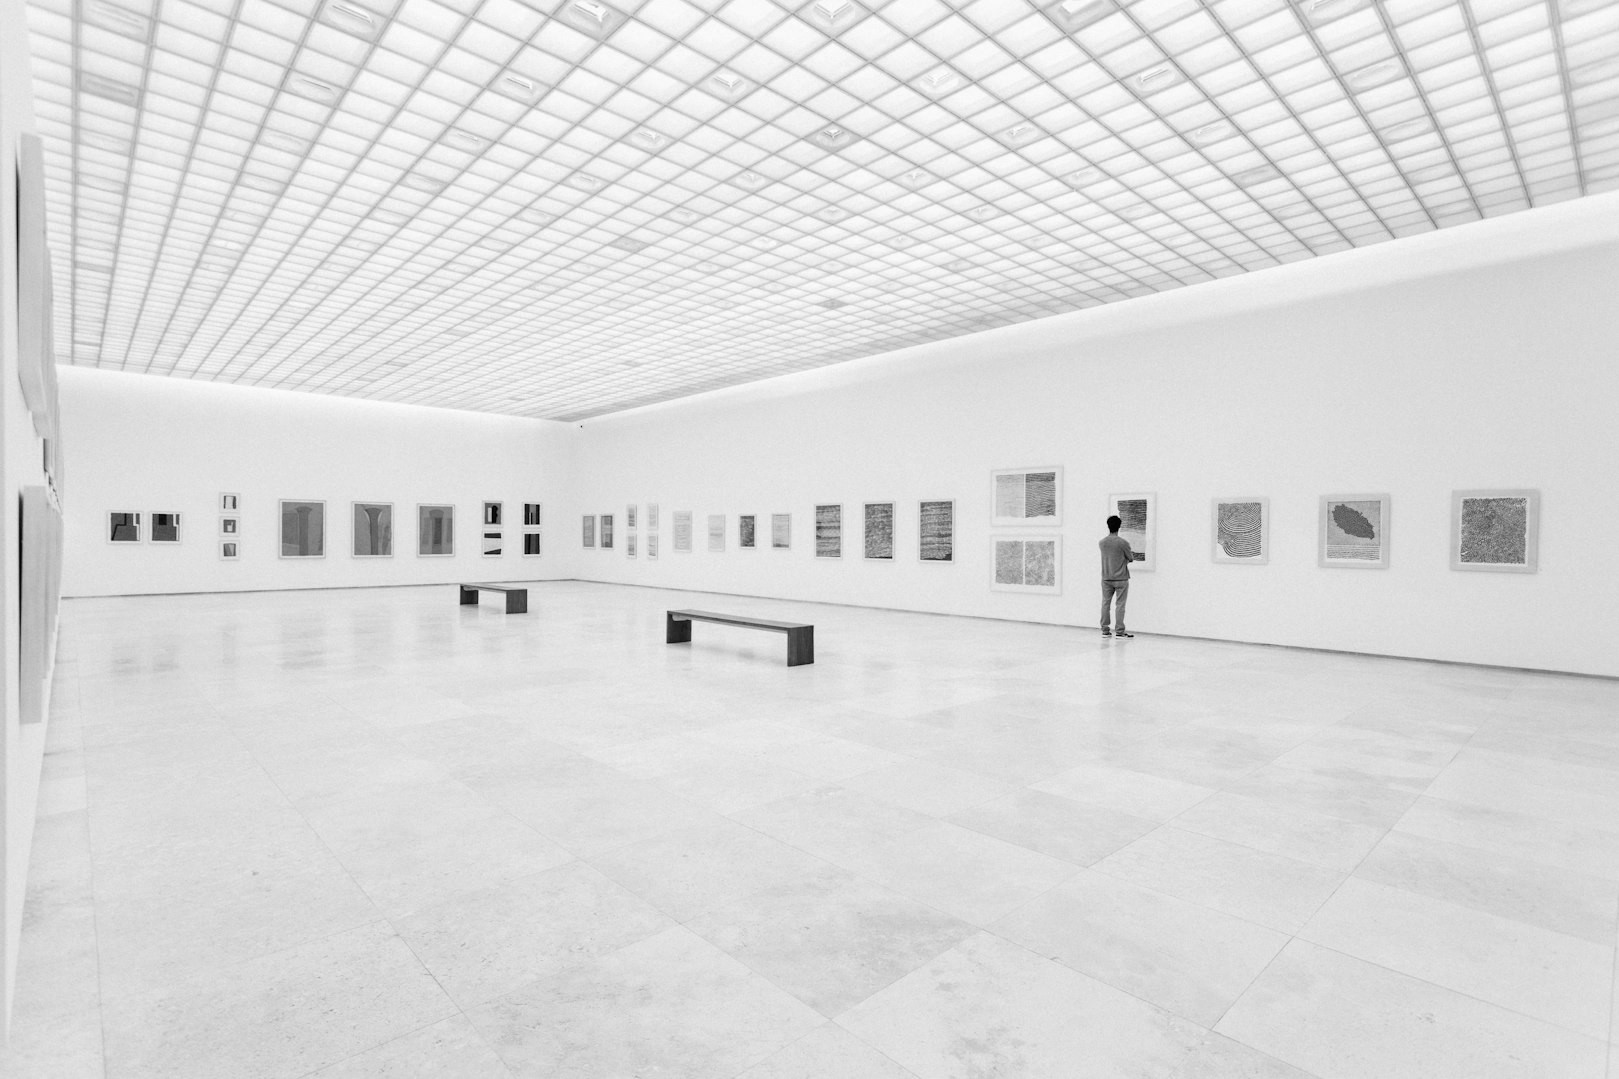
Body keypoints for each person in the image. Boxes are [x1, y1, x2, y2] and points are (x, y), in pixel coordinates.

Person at [1099, 515, 1139, 639]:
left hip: (1106, 578)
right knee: (1120, 605)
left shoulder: (1102, 543)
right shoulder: (1123, 543)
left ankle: (1105, 631)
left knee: (1105, 603)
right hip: (1121, 578)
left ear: (1108, 526)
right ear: (1119, 526)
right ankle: (1120, 632)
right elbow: (1131, 558)